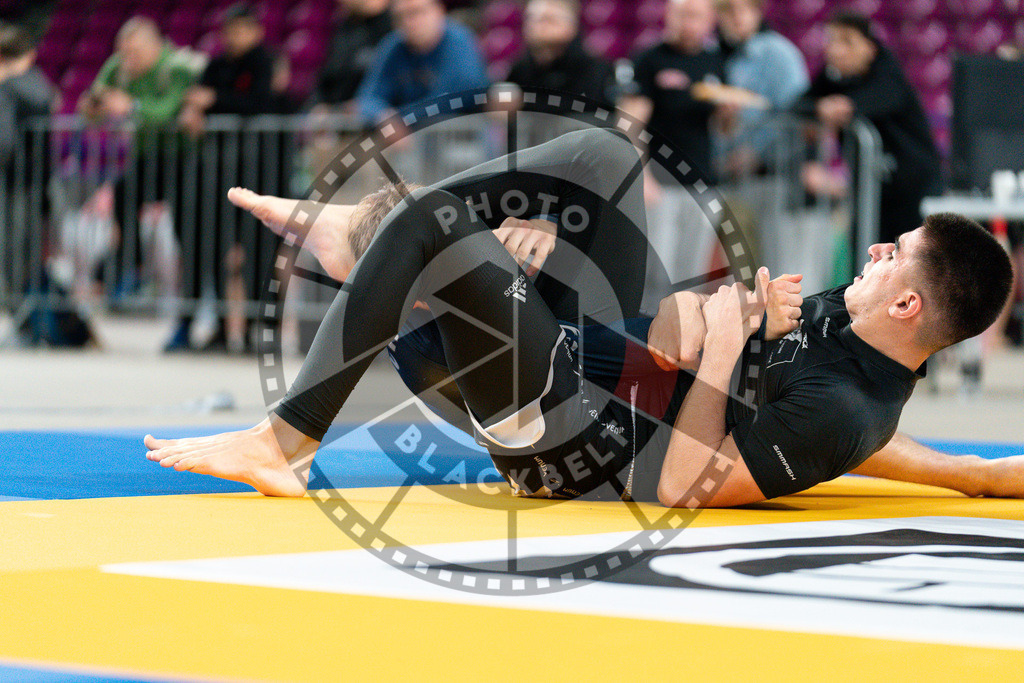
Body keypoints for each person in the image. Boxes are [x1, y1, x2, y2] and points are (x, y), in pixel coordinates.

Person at [144, 127, 1021, 506]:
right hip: (584, 364)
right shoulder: (841, 329)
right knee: (602, 154)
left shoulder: (849, 411)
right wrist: (728, 317)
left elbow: (681, 488)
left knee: (442, 233)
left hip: (568, 454)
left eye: (891, 252)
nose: (873, 251)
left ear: (908, 303)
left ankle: (286, 435)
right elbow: (670, 335)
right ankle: (371, 236)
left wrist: (721, 355)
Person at [173, 3, 280, 353]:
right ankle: (219, 327)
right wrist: (192, 110)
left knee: (260, 253)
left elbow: (260, 103)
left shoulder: (263, 62)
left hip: (259, 170)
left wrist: (215, 101)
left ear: (256, 31)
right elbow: (195, 101)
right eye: (229, 30)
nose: (233, 37)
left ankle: (257, 331)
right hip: (217, 172)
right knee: (213, 248)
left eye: (241, 29)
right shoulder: (216, 64)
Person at [792, 11, 942, 247]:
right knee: (865, 257)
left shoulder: (889, 74)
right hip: (869, 189)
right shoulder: (833, 77)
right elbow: (798, 105)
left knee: (907, 257)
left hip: (912, 190)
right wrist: (821, 107)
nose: (837, 50)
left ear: (870, 47)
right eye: (832, 41)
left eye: (847, 42)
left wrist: (842, 107)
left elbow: (871, 101)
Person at [78, 17, 200, 298]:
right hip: (147, 156)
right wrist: (92, 108)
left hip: (185, 158)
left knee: (188, 233)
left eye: (135, 53)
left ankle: (190, 304)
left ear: (155, 46)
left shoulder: (177, 67)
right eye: (124, 53)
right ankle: (130, 260)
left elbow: (167, 112)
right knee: (122, 192)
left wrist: (130, 106)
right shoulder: (120, 65)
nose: (128, 60)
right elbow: (96, 101)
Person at [619, 0, 726, 312]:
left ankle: (682, 343)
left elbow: (723, 128)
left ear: (710, 20)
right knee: (656, 273)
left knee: (692, 273)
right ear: (668, 16)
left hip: (702, 181)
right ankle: (646, 340)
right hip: (660, 180)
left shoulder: (714, 62)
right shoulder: (650, 58)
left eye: (695, 15)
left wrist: (728, 111)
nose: (686, 22)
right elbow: (629, 122)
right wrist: (642, 175)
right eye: (680, 14)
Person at [355, 0, 489, 128]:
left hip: (460, 138)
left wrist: (400, 119)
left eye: (418, 12)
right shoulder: (393, 46)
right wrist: (381, 115)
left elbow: (453, 98)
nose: (410, 22)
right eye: (401, 16)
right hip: (409, 141)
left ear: (439, 11)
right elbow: (368, 98)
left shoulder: (459, 41)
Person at [506, 0, 615, 111]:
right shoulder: (518, 71)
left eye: (549, 19)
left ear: (572, 24)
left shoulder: (597, 70)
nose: (539, 27)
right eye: (532, 19)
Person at [312, 0, 393, 113]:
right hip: (336, 118)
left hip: (375, 118)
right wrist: (319, 107)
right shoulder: (344, 27)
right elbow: (327, 79)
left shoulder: (394, 26)